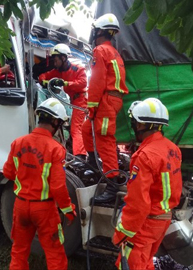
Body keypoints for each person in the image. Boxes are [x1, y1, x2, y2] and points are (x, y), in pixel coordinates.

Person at [3, 98, 77, 270]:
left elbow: (8, 173)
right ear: (56, 122)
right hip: (44, 210)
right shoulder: (55, 149)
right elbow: (58, 186)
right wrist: (68, 210)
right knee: (54, 253)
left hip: (20, 206)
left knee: (19, 250)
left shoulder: (18, 143)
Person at [112, 98, 183, 270]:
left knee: (130, 265)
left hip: (146, 224)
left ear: (142, 125)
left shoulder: (144, 156)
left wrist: (122, 232)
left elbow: (139, 204)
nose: (134, 126)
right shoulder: (173, 148)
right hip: (163, 220)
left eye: (135, 122)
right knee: (146, 262)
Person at [81, 13, 129, 203]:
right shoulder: (113, 52)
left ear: (99, 31)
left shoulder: (100, 50)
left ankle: (112, 185)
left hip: (106, 101)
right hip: (110, 100)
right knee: (86, 130)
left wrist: (91, 107)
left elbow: (96, 81)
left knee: (105, 140)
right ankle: (93, 165)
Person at [38, 44, 88, 160]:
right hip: (73, 100)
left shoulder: (78, 68)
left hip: (81, 100)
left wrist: (65, 83)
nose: (54, 63)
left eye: (56, 60)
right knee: (73, 127)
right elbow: (43, 76)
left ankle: (80, 157)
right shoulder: (58, 71)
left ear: (63, 58)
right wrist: (44, 81)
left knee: (76, 128)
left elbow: (83, 83)